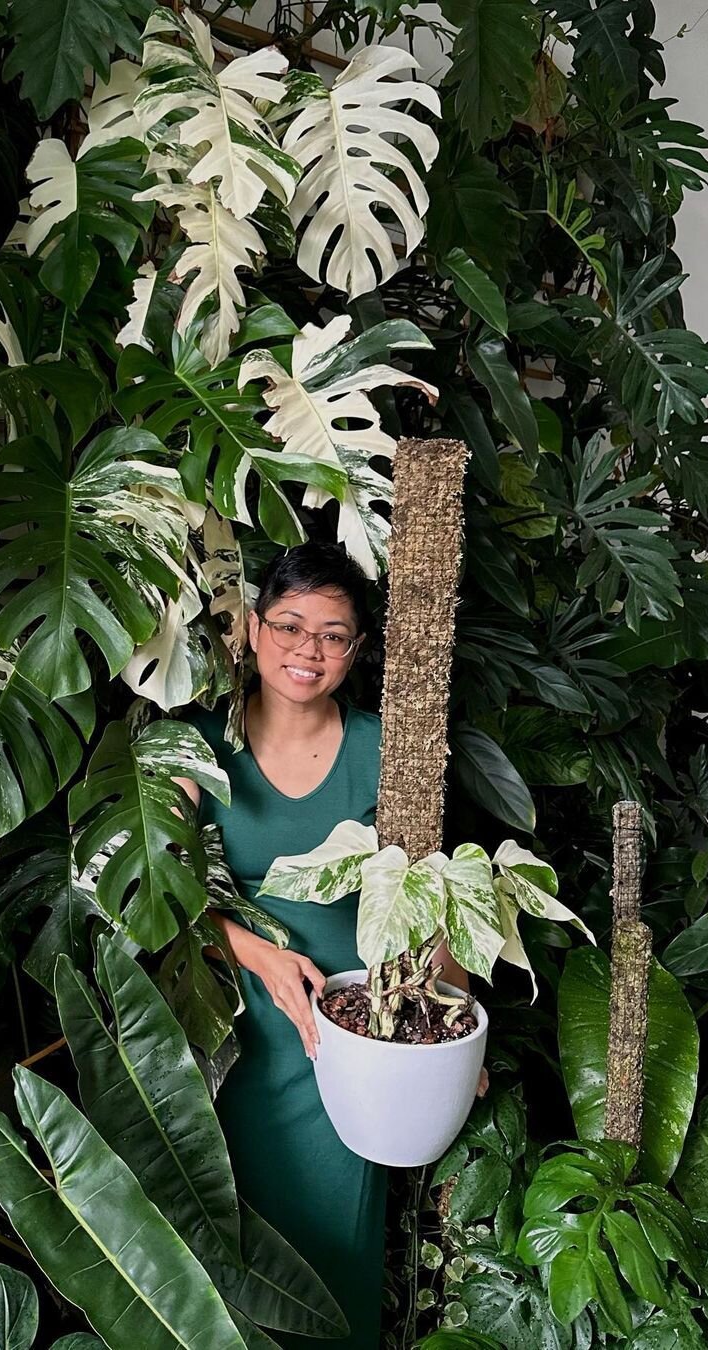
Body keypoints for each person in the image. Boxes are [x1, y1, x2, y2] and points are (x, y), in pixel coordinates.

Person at [175, 541, 483, 1349]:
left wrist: (455, 1036)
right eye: (289, 625)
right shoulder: (196, 748)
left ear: (356, 648)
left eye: (333, 634)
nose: (307, 650)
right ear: (251, 627)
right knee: (223, 1259)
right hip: (223, 1038)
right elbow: (152, 899)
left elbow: (432, 904)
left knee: (334, 1261)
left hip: (352, 1041)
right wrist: (255, 953)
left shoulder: (389, 753)